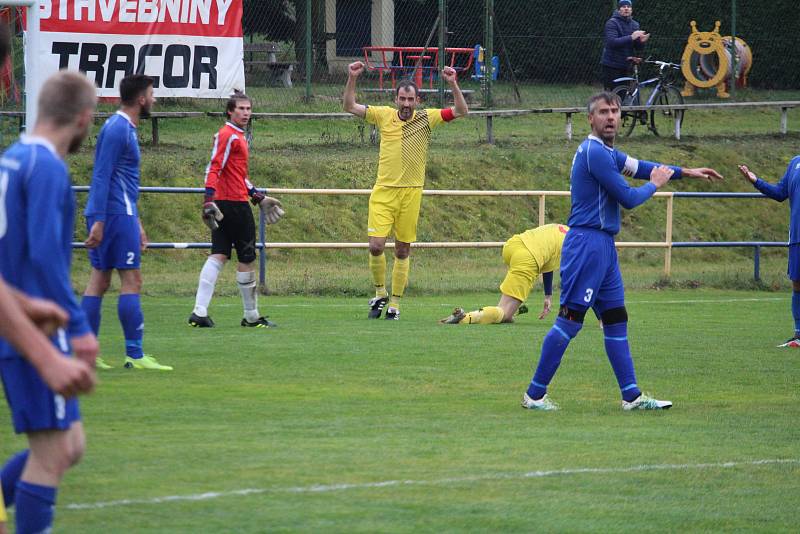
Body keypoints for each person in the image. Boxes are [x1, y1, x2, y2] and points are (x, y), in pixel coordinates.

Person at [521, 91, 722, 411]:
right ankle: (534, 395)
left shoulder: (607, 152)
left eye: (615, 110)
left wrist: (686, 171)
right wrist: (656, 184)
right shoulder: (594, 152)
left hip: (603, 248)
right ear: (591, 119)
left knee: (615, 320)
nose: (611, 116)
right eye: (603, 111)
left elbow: (642, 166)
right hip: (587, 245)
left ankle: (631, 396)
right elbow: (629, 197)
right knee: (569, 321)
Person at [0, 69, 99, 534]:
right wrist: (77, 326)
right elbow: (44, 255)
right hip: (32, 326)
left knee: (71, 445)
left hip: (14, 315)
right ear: (83, 118)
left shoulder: (14, 157)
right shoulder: (48, 168)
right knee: (54, 453)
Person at [343, 61, 468, 320]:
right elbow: (349, 106)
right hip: (384, 191)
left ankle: (395, 305)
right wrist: (352, 78)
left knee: (402, 249)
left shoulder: (427, 118)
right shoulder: (383, 114)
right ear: (396, 98)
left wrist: (453, 83)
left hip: (411, 192)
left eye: (411, 98)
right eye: (402, 98)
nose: (406, 103)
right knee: (376, 246)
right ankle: (379, 294)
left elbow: (461, 110)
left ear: (417, 99)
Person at [80, 74, 172, 370]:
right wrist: (98, 219)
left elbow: (120, 180)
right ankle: (135, 355)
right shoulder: (119, 128)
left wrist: (138, 222)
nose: (154, 99)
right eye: (151, 94)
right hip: (116, 215)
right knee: (131, 280)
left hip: (122, 214)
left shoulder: (124, 128)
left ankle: (87, 353)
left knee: (100, 280)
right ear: (141, 98)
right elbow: (102, 174)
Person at [188, 91, 284, 328]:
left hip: (228, 202)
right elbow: (214, 167)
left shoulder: (236, 135)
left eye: (248, 109)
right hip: (233, 205)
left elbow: (238, 175)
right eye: (241, 109)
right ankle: (251, 316)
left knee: (219, 254)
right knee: (247, 258)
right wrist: (207, 199)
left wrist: (258, 197)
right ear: (230, 111)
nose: (245, 113)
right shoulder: (228, 135)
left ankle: (199, 311)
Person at [440, 224, 569, 325]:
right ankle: (464, 317)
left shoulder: (561, 228)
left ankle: (509, 312)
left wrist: (548, 295)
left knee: (507, 314)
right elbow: (571, 275)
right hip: (528, 257)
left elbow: (548, 262)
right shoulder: (578, 242)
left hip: (513, 245)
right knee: (505, 313)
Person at [739, 158, 800, 347]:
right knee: (797, 284)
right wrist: (755, 181)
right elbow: (780, 193)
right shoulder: (795, 163)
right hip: (797, 235)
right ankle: (798, 334)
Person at [601, 0, 649, 91]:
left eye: (629, 7)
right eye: (623, 7)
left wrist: (641, 42)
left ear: (631, 10)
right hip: (611, 65)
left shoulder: (635, 24)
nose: (626, 8)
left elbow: (638, 47)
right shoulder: (612, 23)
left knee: (623, 93)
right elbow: (612, 42)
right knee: (611, 96)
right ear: (619, 10)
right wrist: (631, 37)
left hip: (626, 65)